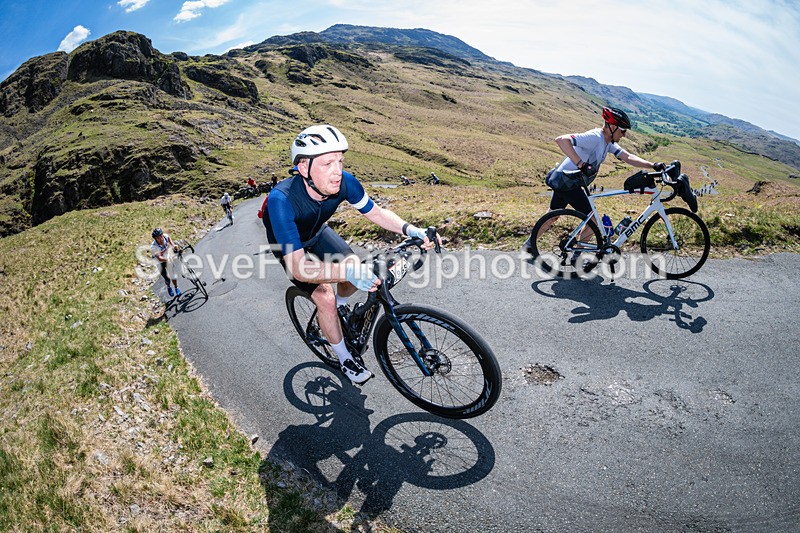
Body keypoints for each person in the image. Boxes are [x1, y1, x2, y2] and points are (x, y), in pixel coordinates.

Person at [264, 124, 439, 385]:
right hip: (289, 245)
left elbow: (376, 213)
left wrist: (410, 229)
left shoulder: (345, 182)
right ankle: (344, 357)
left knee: (352, 264)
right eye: (327, 164)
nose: (337, 171)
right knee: (324, 297)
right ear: (303, 168)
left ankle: (341, 310)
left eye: (340, 161)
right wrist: (346, 272)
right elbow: (300, 268)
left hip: (317, 232)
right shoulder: (282, 200)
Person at [527, 106, 666, 250]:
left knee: (552, 216)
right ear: (612, 127)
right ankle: (577, 256)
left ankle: (529, 246)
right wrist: (581, 164)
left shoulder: (608, 143)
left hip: (567, 181)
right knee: (592, 220)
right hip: (568, 183)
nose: (624, 135)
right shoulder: (595, 137)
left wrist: (653, 165)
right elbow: (562, 140)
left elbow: (628, 157)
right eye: (622, 131)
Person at [150, 228, 181, 297]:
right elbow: (159, 258)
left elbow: (171, 243)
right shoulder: (153, 247)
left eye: (161, 236)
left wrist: (174, 246)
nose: (160, 238)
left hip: (166, 257)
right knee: (167, 278)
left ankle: (176, 288)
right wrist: (167, 260)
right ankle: (169, 287)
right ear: (155, 239)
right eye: (158, 238)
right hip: (159, 262)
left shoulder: (165, 237)